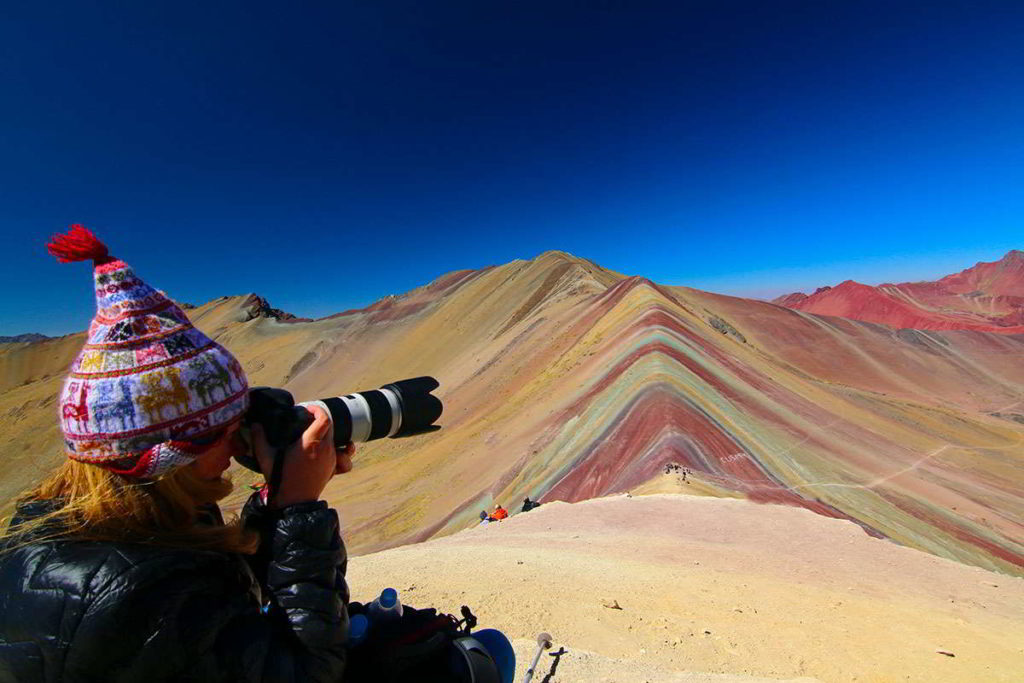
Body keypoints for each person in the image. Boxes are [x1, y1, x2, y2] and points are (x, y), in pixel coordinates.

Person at [0, 226, 354, 682]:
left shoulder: (83, 524)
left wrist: (276, 501)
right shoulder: (134, 593)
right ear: (165, 455)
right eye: (225, 432)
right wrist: (299, 514)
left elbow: (221, 612)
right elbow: (304, 671)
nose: (239, 443)